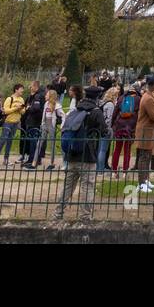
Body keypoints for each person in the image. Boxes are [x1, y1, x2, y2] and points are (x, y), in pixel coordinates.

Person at [57, 85, 105, 220]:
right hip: (87, 155)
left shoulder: (75, 110)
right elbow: (104, 131)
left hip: (71, 154)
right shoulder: (96, 112)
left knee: (67, 187)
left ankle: (58, 213)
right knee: (87, 186)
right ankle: (84, 215)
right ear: (97, 97)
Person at [133, 76, 154, 194]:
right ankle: (141, 183)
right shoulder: (148, 98)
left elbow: (153, 110)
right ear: (153, 84)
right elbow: (153, 116)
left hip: (147, 131)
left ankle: (145, 179)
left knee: (147, 156)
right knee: (143, 157)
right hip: (144, 132)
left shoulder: (149, 96)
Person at [109, 83, 139, 172]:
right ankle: (125, 170)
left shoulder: (121, 98)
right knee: (127, 150)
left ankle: (114, 169)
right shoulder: (138, 99)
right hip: (131, 126)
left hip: (120, 125)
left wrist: (112, 124)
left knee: (117, 149)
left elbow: (115, 112)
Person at [98, 86, 117, 172]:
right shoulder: (110, 104)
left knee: (100, 149)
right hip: (106, 129)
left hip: (101, 127)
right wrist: (109, 129)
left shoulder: (103, 102)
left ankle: (100, 167)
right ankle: (101, 168)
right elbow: (109, 118)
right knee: (103, 150)